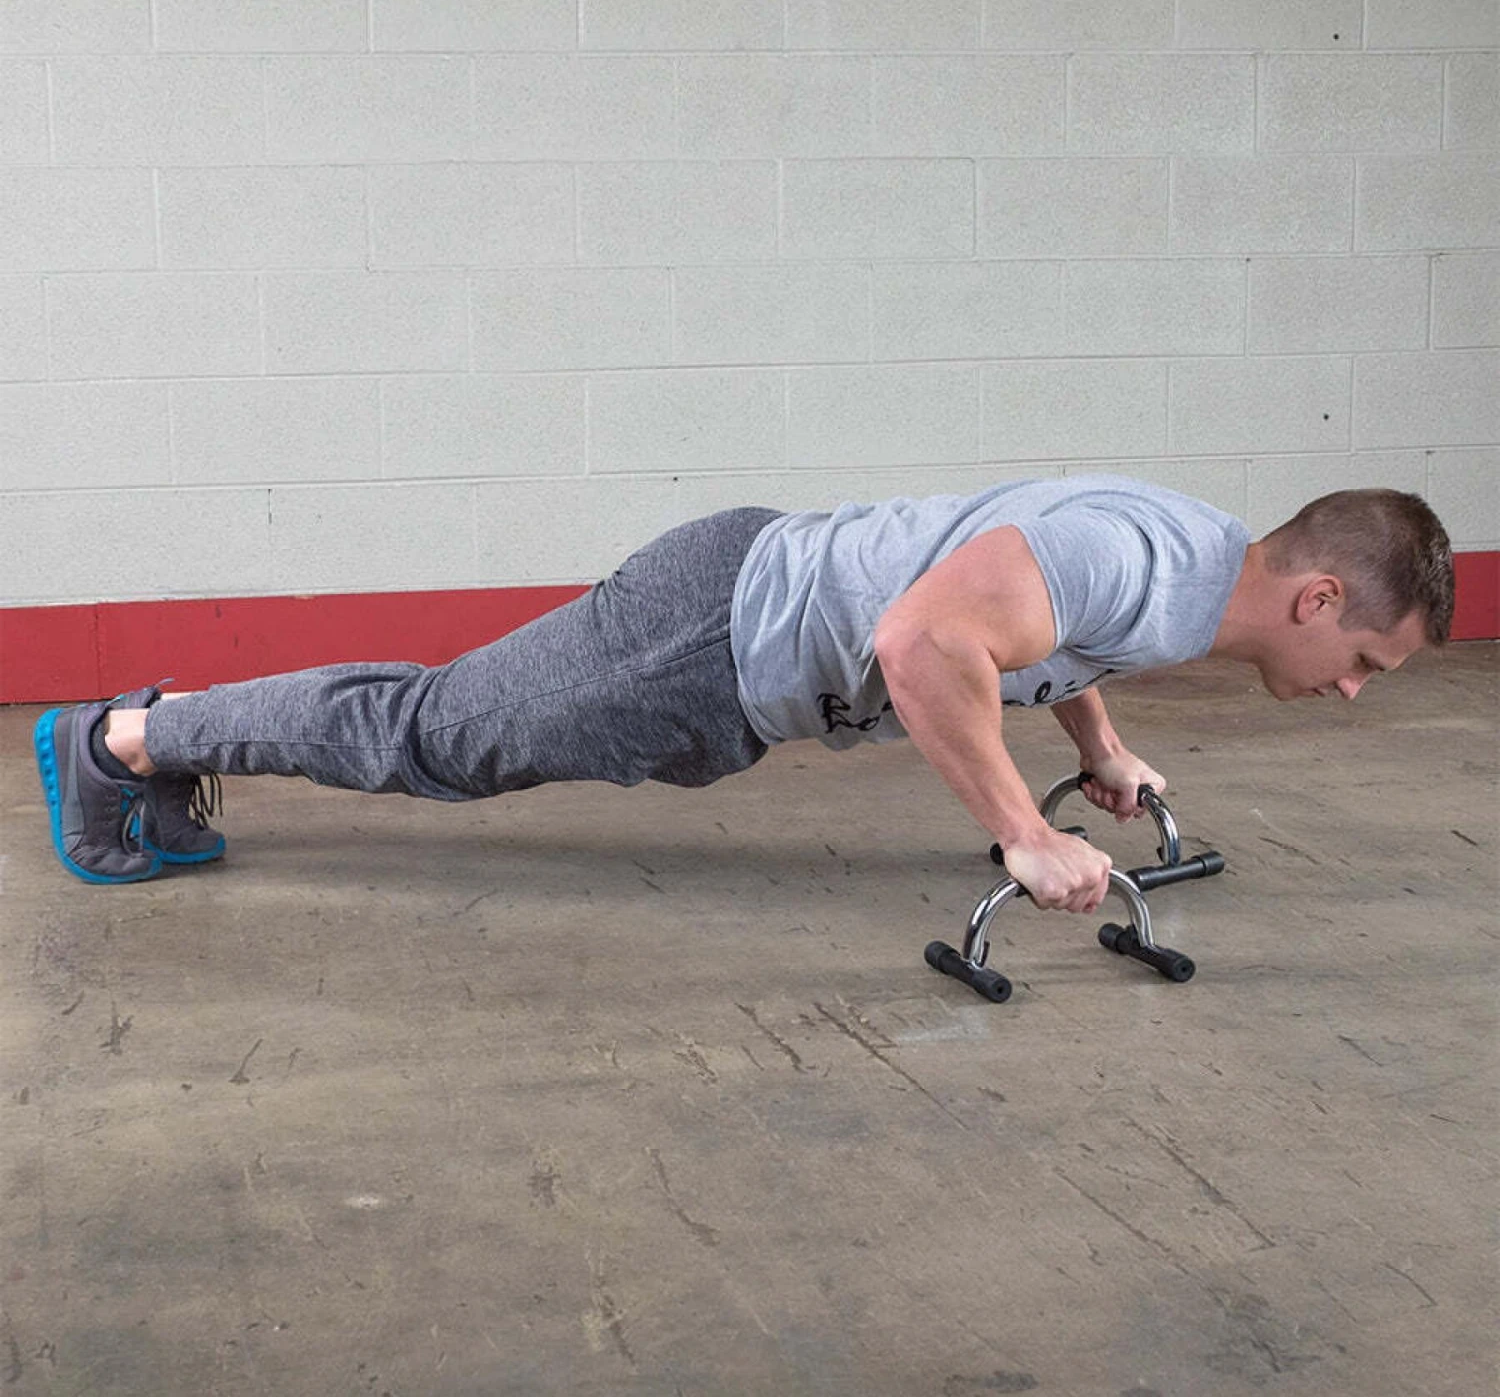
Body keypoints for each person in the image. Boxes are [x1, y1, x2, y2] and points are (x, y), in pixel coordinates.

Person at [34, 476, 1453, 913]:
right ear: (1320, 600)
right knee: (434, 735)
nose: (1350, 693)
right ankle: (121, 740)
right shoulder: (1149, 567)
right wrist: (1023, 833)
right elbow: (924, 642)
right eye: (1365, 665)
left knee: (439, 722)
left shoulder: (1189, 560)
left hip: (732, 630)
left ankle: (159, 736)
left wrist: (1103, 745)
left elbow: (1043, 632)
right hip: (706, 635)